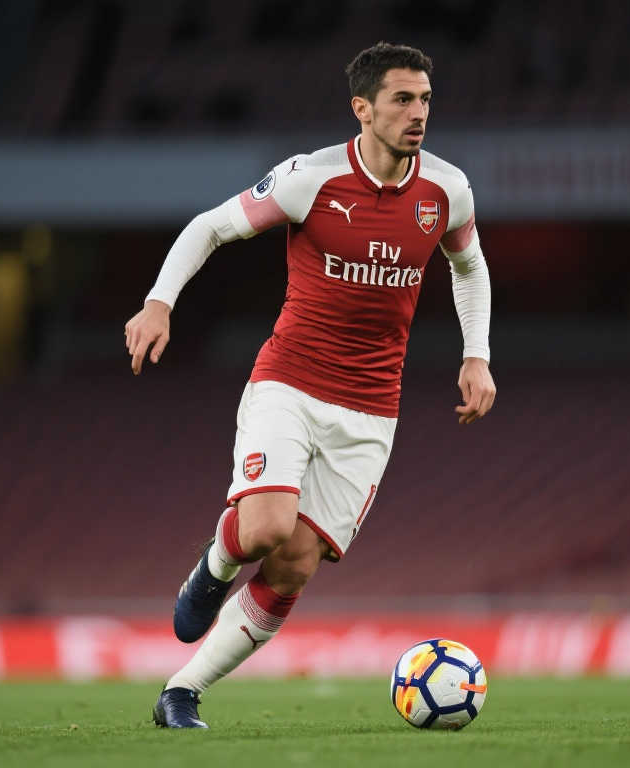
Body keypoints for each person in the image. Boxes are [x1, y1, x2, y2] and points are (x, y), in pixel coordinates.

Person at [124, 41, 496, 729]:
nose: (418, 113)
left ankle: (181, 692)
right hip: (290, 383)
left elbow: (469, 267)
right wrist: (158, 302)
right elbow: (211, 227)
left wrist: (477, 355)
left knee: (294, 565)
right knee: (266, 528)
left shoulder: (447, 190)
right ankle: (214, 565)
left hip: (372, 410)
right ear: (363, 109)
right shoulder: (311, 179)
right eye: (402, 99)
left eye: (424, 99)